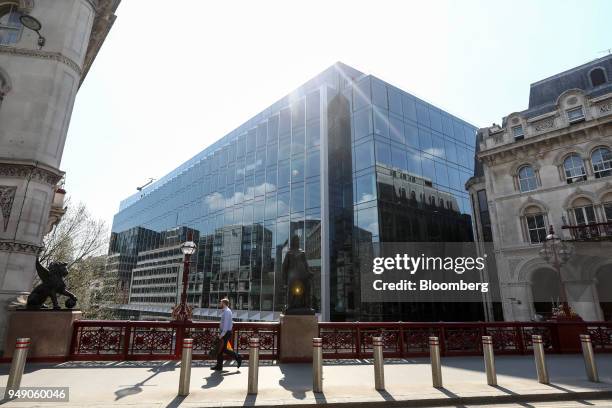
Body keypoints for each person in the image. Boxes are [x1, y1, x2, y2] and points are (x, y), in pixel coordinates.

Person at [211, 297, 242, 371]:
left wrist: (222, 334)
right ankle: (219, 365)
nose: (220, 304)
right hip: (225, 332)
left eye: (221, 302)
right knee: (222, 349)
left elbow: (226, 324)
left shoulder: (227, 312)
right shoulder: (226, 311)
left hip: (225, 333)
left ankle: (237, 357)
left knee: (221, 349)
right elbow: (229, 323)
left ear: (224, 303)